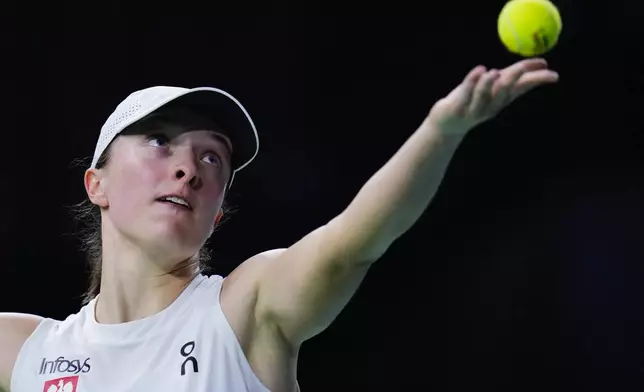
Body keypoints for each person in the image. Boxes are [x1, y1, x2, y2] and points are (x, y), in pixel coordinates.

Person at [0, 58, 558, 392]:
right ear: (96, 184)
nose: (188, 167)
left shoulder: (246, 309)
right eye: (159, 140)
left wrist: (443, 130)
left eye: (211, 157)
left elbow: (354, 242)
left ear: (216, 214)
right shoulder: (28, 351)